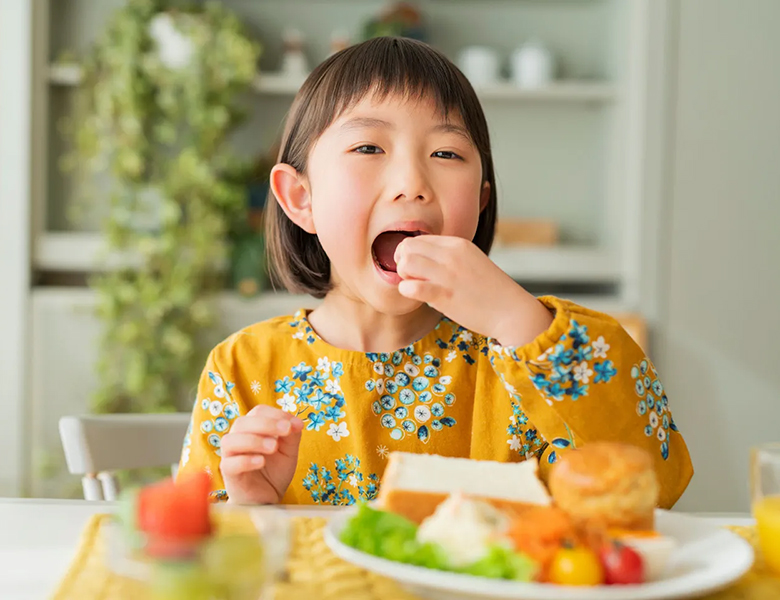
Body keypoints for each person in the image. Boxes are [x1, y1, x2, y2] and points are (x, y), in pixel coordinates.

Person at [177, 36, 693, 507]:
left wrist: (520, 320)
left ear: (481, 201)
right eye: (369, 148)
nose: (412, 183)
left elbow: (655, 487)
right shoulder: (242, 368)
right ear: (300, 197)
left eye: (446, 153)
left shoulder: (526, 352)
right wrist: (252, 506)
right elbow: (195, 554)